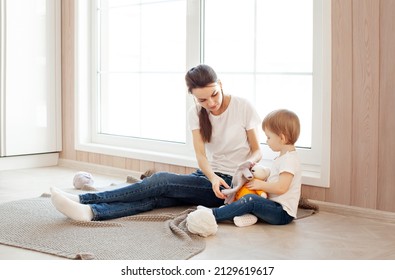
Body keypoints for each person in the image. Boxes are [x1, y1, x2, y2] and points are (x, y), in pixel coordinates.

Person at [50, 64, 263, 222]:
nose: (211, 103)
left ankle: (84, 199)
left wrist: (247, 165)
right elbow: (201, 156)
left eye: (214, 95)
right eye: (203, 100)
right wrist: (212, 177)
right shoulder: (196, 113)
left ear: (221, 85)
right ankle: (92, 212)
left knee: (161, 180)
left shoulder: (242, 106)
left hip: (229, 185)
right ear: (193, 97)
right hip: (209, 177)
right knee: (158, 198)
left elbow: (257, 151)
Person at [186, 109, 302, 237]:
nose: (267, 141)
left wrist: (260, 185)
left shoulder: (289, 160)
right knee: (247, 198)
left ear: (282, 137)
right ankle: (245, 217)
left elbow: (281, 187)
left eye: (269, 137)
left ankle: (213, 214)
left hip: (282, 213)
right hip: (273, 206)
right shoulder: (283, 157)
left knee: (250, 200)